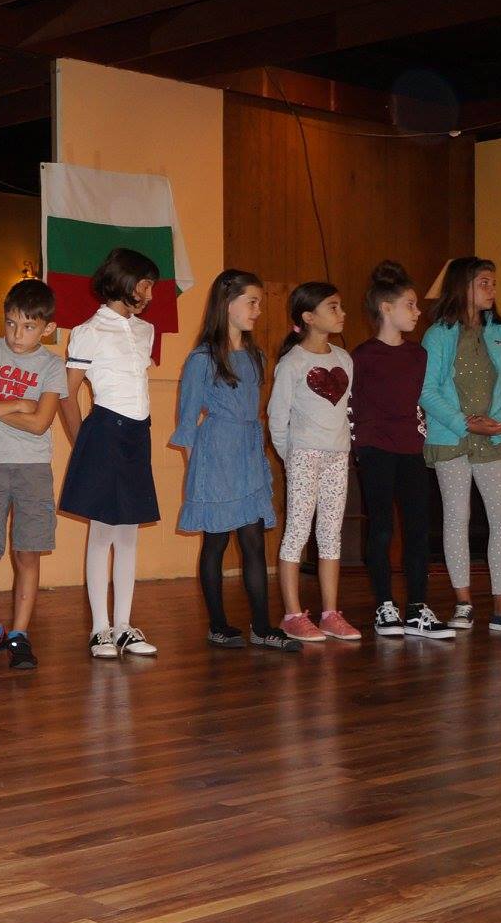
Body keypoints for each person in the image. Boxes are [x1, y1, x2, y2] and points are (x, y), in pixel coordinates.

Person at [171, 270, 300, 653]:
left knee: (253, 541)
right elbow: (187, 424)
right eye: (252, 302)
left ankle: (262, 626)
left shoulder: (256, 356)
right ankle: (218, 625)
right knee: (215, 541)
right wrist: (199, 477)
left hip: (247, 455)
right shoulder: (202, 359)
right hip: (216, 460)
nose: (258, 310)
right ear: (227, 304)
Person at [420, 256, 501, 634]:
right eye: (484, 283)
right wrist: (464, 422)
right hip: (451, 438)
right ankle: (463, 603)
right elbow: (426, 390)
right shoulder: (438, 334)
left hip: (494, 439)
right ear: (462, 287)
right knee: (457, 518)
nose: (492, 290)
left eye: (493, 283)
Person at [57, 249, 161, 661]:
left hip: (137, 434)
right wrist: (82, 440)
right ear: (125, 282)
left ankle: (123, 626)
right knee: (101, 533)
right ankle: (100, 628)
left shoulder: (145, 330)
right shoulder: (89, 331)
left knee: (129, 534)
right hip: (104, 432)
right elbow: (67, 392)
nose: (150, 294)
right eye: (146, 285)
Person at [0, 278, 64, 670]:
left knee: (27, 553)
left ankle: (19, 633)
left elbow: (40, 424)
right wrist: (19, 402)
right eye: (11, 324)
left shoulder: (52, 366)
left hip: (32, 469)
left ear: (48, 328)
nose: (18, 335)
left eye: (29, 327)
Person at [352, 262, 451, 639]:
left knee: (418, 528)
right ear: (386, 308)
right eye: (410, 304)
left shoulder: (417, 355)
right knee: (381, 527)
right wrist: (361, 445)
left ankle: (417, 608)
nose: (417, 311)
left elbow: (419, 401)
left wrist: (421, 435)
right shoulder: (362, 355)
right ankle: (384, 605)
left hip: (411, 449)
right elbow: (352, 405)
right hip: (376, 449)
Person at [268, 281, 359, 644]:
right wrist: (291, 457)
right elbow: (277, 419)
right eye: (333, 307)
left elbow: (346, 410)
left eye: (341, 306)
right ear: (308, 317)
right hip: (304, 455)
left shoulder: (344, 359)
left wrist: (343, 447)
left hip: (338, 455)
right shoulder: (293, 363)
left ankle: (330, 613)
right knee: (297, 531)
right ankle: (292, 615)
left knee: (330, 533)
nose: (342, 313)